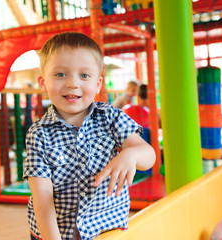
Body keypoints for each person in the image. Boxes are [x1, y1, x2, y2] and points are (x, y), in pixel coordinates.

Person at [24, 32, 155, 240]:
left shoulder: (111, 117)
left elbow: (148, 155)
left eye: (84, 75)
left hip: (105, 229)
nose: (72, 83)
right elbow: (42, 197)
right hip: (54, 233)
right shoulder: (38, 133)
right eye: (60, 74)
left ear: (98, 84)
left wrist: (131, 154)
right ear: (42, 82)